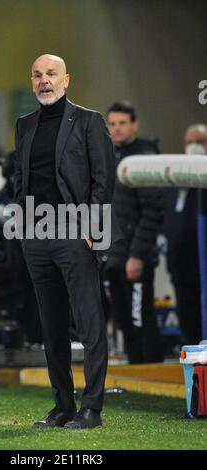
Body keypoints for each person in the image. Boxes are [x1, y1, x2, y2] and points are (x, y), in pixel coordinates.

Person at [13, 54, 115, 429]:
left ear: (66, 80)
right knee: (51, 327)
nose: (44, 80)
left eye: (51, 74)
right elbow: (19, 179)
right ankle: (63, 407)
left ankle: (93, 409)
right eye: (37, 75)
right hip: (36, 237)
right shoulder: (24, 125)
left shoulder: (89, 121)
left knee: (89, 324)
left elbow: (104, 181)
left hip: (76, 235)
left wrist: (92, 232)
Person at [105, 102, 164, 364]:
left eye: (122, 123)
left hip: (134, 258)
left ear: (135, 125)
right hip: (114, 256)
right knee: (125, 322)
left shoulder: (144, 159)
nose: (117, 129)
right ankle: (137, 374)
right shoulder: (110, 156)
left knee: (141, 321)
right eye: (113, 124)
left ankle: (151, 372)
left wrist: (137, 255)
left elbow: (152, 212)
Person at [163, 124, 207, 344]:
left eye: (199, 142)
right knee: (188, 321)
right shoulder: (176, 181)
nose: (194, 147)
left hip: (203, 263)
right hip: (180, 264)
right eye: (190, 142)